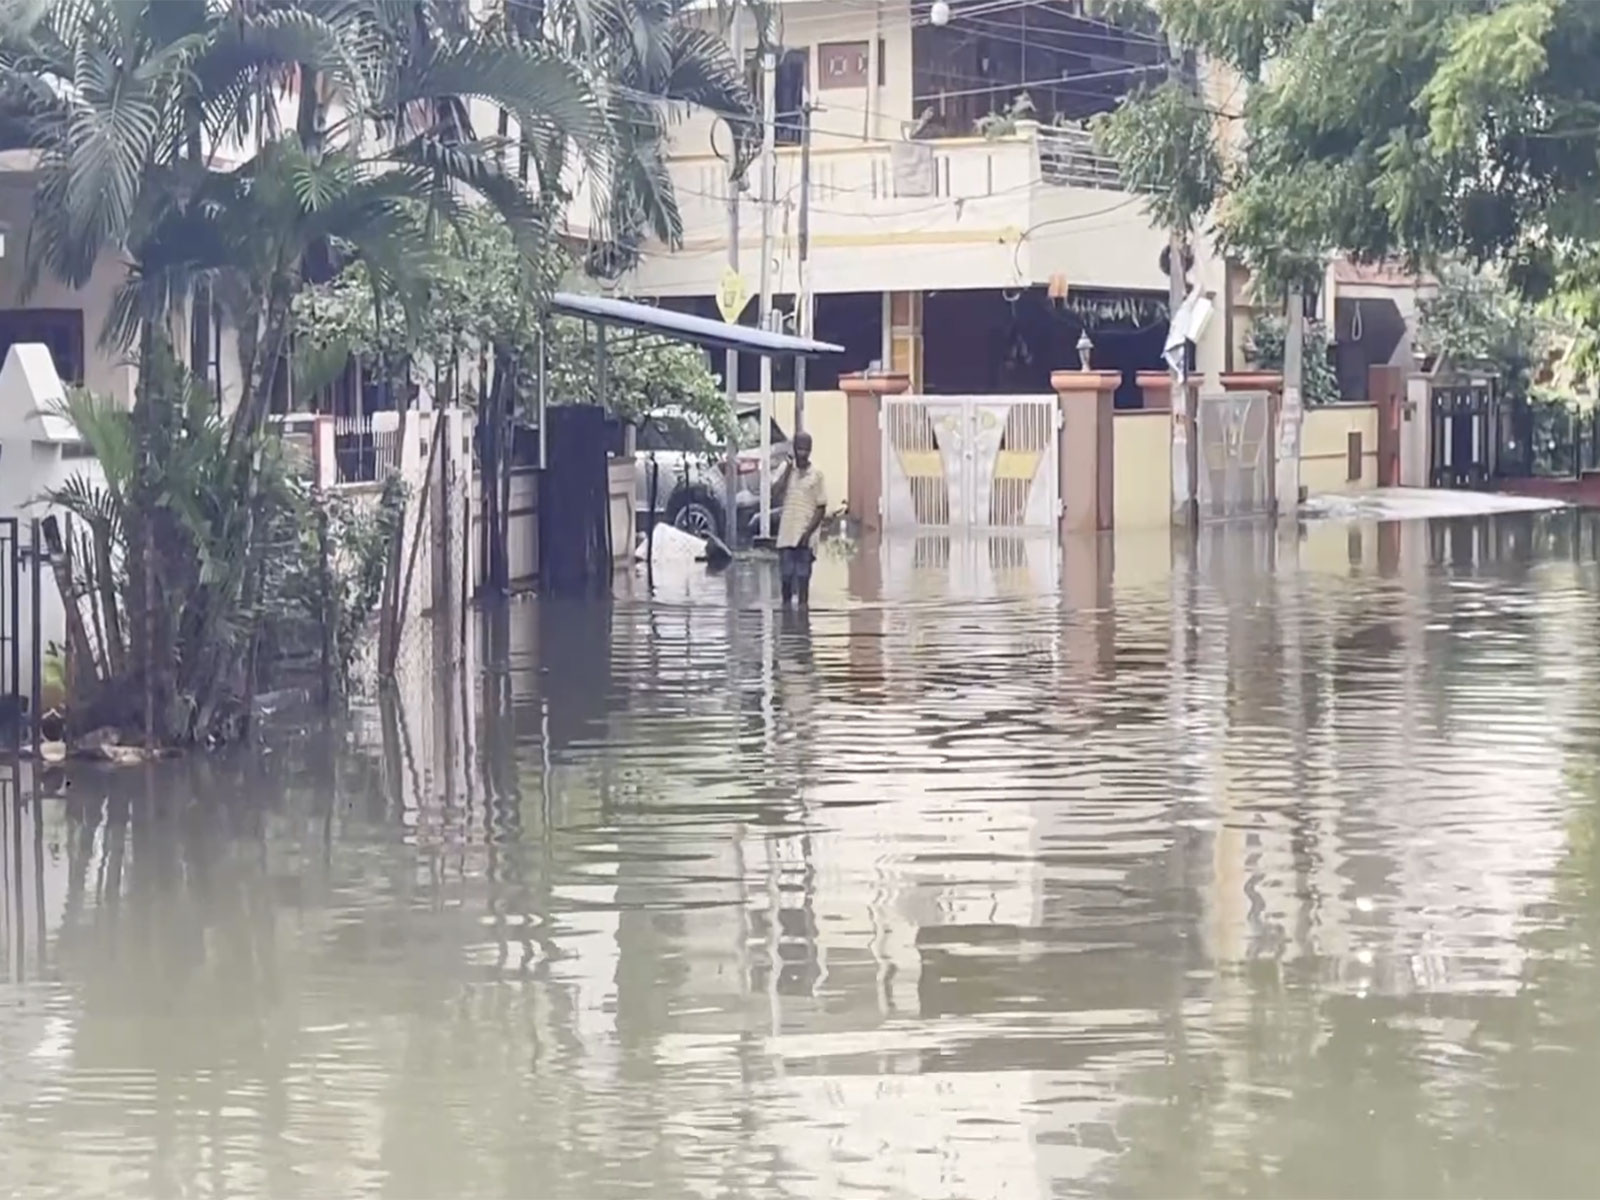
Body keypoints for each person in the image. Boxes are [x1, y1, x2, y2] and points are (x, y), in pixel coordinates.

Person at [775, 431, 826, 608]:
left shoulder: (817, 475)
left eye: (805, 449)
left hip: (806, 538)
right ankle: (787, 624)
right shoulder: (786, 471)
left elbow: (821, 507)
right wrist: (789, 469)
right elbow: (776, 494)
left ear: (810, 450)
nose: (802, 453)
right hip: (786, 535)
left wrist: (808, 533)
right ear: (794, 449)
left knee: (803, 580)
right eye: (799, 448)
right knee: (786, 579)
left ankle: (803, 626)